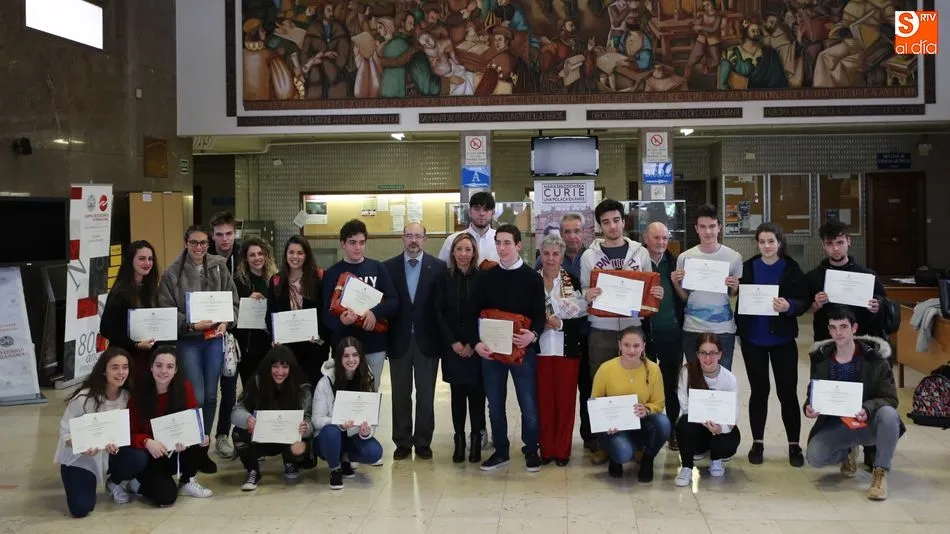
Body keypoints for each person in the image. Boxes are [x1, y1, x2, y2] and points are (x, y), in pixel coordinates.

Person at [580, 199, 660, 463]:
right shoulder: (589, 256)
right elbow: (583, 293)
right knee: (603, 387)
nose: (612, 226)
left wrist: (656, 293)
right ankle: (606, 443)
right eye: (606, 222)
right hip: (601, 329)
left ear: (623, 221)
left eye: (616, 220)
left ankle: (635, 442)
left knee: (632, 387)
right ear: (599, 226)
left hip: (631, 328)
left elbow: (650, 289)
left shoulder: (640, 253)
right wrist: (587, 294)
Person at [158, 225, 239, 474]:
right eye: (194, 243)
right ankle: (192, 447)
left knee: (212, 396)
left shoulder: (218, 265)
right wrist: (191, 324)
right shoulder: (172, 273)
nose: (199, 248)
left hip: (214, 339)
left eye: (203, 243)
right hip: (190, 341)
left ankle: (204, 446)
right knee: (198, 396)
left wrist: (227, 320)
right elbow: (167, 312)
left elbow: (233, 301)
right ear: (185, 243)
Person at [803, 306, 903, 501]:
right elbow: (813, 392)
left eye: (843, 327)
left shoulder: (875, 359)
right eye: (833, 328)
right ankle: (847, 451)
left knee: (890, 415)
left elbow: (891, 398)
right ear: (829, 330)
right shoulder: (822, 359)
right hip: (838, 424)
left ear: (854, 328)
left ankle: (880, 473)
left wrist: (867, 408)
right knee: (814, 457)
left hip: (868, 422)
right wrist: (809, 407)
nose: (838, 333)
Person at [471, 224, 546, 472]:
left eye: (506, 243)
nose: (502, 248)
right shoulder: (486, 277)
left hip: (522, 350)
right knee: (494, 403)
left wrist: (532, 335)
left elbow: (539, 315)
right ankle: (501, 450)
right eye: (498, 243)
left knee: (528, 402)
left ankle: (531, 449)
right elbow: (475, 313)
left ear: (518, 246)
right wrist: (477, 343)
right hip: (491, 352)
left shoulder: (533, 278)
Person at [736, 222, 809, 466]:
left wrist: (790, 306)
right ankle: (757, 442)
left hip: (782, 339)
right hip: (753, 339)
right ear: (757, 243)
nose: (766, 246)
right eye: (762, 241)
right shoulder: (748, 267)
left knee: (787, 393)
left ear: (779, 243)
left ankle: (794, 444)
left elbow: (803, 299)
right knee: (759, 391)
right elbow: (739, 297)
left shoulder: (791, 268)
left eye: (771, 241)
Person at [56, 347, 148, 518]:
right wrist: (81, 446)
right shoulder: (84, 398)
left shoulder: (127, 397)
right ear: (104, 371)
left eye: (125, 367)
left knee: (138, 457)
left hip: (110, 454)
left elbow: (126, 431)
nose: (121, 372)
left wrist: (118, 445)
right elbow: (65, 433)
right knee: (81, 508)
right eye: (114, 367)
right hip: (81, 458)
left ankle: (115, 482)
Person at [383, 223, 447, 461]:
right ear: (402, 239)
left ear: (425, 239)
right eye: (409, 236)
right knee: (400, 394)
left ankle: (422, 442)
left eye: (418, 236)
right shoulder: (388, 268)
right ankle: (401, 441)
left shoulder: (439, 268)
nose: (413, 240)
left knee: (426, 395)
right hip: (398, 341)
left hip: (427, 342)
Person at [129, 347, 213, 504]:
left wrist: (192, 438)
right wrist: (147, 442)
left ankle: (186, 481)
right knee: (166, 498)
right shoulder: (139, 393)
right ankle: (138, 482)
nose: (163, 371)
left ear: (176, 370)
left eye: (169, 366)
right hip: (151, 455)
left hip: (174, 450)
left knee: (202, 438)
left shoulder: (184, 387)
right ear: (151, 367)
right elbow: (130, 432)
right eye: (159, 365)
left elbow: (192, 422)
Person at [322, 219, 399, 390]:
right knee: (344, 396)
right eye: (352, 243)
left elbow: (394, 301)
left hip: (374, 345)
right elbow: (326, 315)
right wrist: (341, 322)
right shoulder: (332, 273)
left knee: (370, 395)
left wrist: (374, 313)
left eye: (362, 242)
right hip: (344, 347)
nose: (358, 247)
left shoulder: (377, 268)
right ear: (343, 244)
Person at [591, 326, 670, 480]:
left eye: (636, 346)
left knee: (664, 423)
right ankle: (616, 456)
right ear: (619, 345)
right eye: (627, 345)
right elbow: (595, 402)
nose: (631, 350)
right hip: (613, 427)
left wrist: (647, 409)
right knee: (624, 453)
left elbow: (659, 403)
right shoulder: (606, 369)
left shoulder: (653, 369)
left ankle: (648, 458)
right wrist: (607, 423)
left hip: (641, 422)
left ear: (643, 347)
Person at [230, 346, 312, 491]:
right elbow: (237, 410)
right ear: (268, 367)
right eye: (275, 367)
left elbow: (309, 418)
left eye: (285, 367)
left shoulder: (301, 387)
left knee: (306, 439)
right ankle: (253, 470)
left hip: (289, 442)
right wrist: (247, 419)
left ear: (291, 368)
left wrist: (306, 428)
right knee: (238, 433)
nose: (280, 372)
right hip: (262, 438)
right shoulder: (257, 381)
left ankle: (291, 462)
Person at [536, 234, 587, 466]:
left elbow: (582, 320)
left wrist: (562, 324)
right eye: (546, 253)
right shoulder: (531, 281)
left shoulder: (573, 281)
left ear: (562, 256)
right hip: (540, 352)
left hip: (567, 351)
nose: (550, 258)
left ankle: (562, 450)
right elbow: (524, 314)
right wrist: (539, 322)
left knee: (565, 403)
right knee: (544, 402)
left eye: (555, 254)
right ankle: (546, 449)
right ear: (540, 255)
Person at [434, 232, 485, 463]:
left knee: (476, 396)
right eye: (459, 249)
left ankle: (475, 440)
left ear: (474, 253)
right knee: (457, 396)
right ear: (452, 252)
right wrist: (453, 342)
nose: (463, 254)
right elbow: (438, 312)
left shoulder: (483, 277)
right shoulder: (443, 277)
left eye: (468, 249)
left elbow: (485, 314)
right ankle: (459, 440)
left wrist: (473, 344)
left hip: (476, 347)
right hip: (452, 347)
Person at [671, 204, 742, 370]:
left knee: (722, 376)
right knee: (695, 378)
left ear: (719, 227)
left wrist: (734, 286)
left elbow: (732, 295)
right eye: (703, 227)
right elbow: (686, 298)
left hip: (723, 328)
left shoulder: (733, 257)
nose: (708, 232)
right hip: (693, 327)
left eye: (712, 226)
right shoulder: (685, 258)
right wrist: (675, 283)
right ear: (696, 228)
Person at [312, 338, 384, 490]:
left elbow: (372, 419)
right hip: (328, 437)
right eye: (346, 356)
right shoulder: (325, 382)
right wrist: (337, 422)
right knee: (332, 432)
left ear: (361, 357)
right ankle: (335, 469)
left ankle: (345, 458)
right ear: (339, 358)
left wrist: (366, 431)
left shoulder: (367, 380)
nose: (351, 360)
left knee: (374, 452)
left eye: (355, 355)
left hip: (352, 434)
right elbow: (316, 420)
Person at [673, 333, 741, 487]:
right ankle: (687, 467)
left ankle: (716, 459)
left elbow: (733, 414)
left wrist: (719, 428)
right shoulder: (687, 372)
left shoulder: (729, 379)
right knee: (682, 424)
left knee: (730, 437)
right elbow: (684, 406)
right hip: (697, 424)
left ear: (720, 355)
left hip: (718, 427)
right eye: (703, 353)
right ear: (697, 354)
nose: (708, 358)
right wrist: (702, 418)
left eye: (713, 353)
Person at [641, 222, 685, 451]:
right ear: (645, 239)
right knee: (645, 384)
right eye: (656, 238)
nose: (660, 242)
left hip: (672, 332)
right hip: (644, 334)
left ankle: (673, 432)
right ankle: (645, 431)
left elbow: (687, 298)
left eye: (664, 238)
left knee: (671, 385)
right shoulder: (636, 261)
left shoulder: (677, 263)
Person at [806, 219, 886, 342]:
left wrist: (877, 306)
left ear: (848, 241)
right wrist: (816, 304)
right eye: (829, 244)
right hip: (826, 340)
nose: (836, 248)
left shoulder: (867, 276)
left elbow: (883, 304)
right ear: (823, 245)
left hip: (860, 339)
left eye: (840, 242)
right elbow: (806, 309)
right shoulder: (813, 277)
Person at [267, 235, 330, 387]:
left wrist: (319, 335)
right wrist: (275, 336)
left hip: (314, 346)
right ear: (286, 254)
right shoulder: (276, 280)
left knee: (314, 388)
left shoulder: (319, 278)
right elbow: (270, 314)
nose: (295, 256)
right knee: (290, 390)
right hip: (287, 349)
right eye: (291, 252)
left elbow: (326, 311)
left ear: (306, 255)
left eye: (300, 253)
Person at [208, 212, 242, 459]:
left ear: (235, 233)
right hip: (206, 333)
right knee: (207, 393)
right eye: (219, 234)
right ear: (212, 235)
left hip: (236, 331)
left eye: (229, 233)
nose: (224, 239)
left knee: (229, 390)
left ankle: (223, 435)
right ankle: (199, 440)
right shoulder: (201, 256)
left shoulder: (244, 254)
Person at [100, 240, 161, 380]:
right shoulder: (120, 292)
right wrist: (135, 345)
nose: (147, 263)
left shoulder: (151, 290)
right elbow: (106, 329)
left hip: (149, 356)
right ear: (130, 261)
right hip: (125, 357)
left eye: (150, 259)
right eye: (141, 259)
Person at [233, 236, 278, 385]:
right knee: (250, 387)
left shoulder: (275, 280)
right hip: (248, 346)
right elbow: (232, 312)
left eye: (260, 254)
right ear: (245, 259)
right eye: (252, 255)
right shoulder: (238, 282)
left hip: (270, 343)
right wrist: (246, 302)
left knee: (270, 386)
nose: (257, 258)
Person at [438, 191, 498, 263]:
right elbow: (441, 269)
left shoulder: (501, 240)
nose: (482, 213)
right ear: (469, 211)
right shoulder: (452, 240)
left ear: (493, 213)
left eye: (486, 209)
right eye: (477, 209)